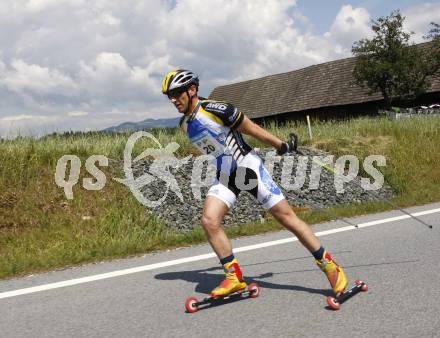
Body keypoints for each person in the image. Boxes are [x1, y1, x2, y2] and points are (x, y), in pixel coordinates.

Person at [162, 69, 347, 297]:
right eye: (169, 96)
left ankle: (330, 267)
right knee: (209, 220)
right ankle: (234, 278)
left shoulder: (217, 110)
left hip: (247, 168)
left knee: (286, 218)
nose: (173, 100)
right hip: (226, 174)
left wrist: (280, 145)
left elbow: (251, 129)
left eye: (176, 93)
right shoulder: (185, 125)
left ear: (192, 90)